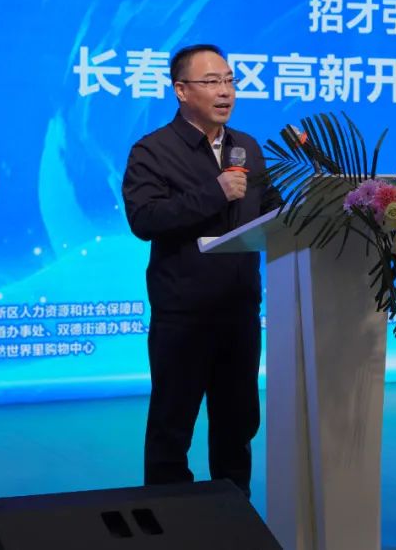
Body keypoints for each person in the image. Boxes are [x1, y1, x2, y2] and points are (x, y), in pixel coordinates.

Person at [121, 44, 281, 497]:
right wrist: (215, 192)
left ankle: (233, 515)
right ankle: (170, 520)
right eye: (212, 82)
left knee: (237, 426)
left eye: (230, 81)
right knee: (172, 429)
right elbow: (144, 219)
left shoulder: (246, 147)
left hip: (240, 311)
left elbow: (270, 210)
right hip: (183, 315)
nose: (225, 91)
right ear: (181, 90)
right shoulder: (152, 151)